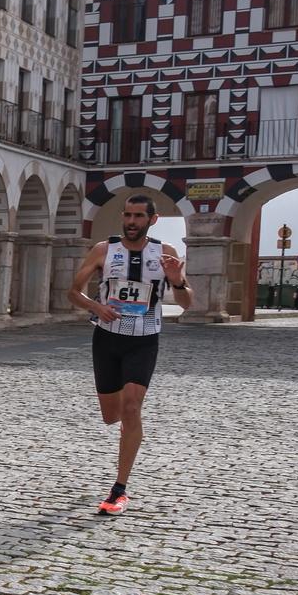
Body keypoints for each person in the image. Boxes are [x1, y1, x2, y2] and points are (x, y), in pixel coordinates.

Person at [67, 193, 194, 515]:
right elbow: (73, 291)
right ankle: (125, 427)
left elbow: (187, 303)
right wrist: (95, 306)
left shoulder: (166, 254)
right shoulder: (103, 250)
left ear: (153, 220)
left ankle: (119, 488)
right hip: (107, 339)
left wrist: (178, 282)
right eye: (127, 215)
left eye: (139, 216)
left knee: (133, 408)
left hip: (145, 339)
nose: (132, 222)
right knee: (112, 415)